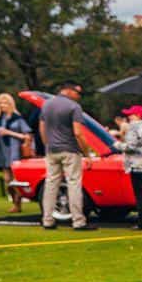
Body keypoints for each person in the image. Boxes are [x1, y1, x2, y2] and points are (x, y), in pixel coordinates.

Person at [39, 81, 91, 231]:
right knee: (74, 183)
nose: (79, 96)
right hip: (69, 149)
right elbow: (78, 132)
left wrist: (47, 145)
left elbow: (42, 128)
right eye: (77, 92)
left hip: (52, 150)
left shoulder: (46, 105)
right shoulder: (74, 107)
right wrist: (86, 153)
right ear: (68, 91)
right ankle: (78, 221)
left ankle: (47, 219)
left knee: (51, 184)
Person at [0, 93, 33, 212]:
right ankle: (14, 201)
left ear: (10, 104)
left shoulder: (18, 119)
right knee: (7, 180)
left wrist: (9, 133)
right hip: (2, 152)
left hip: (15, 151)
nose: (3, 105)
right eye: (0, 103)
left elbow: (27, 136)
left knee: (16, 180)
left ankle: (18, 204)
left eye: (5, 103)